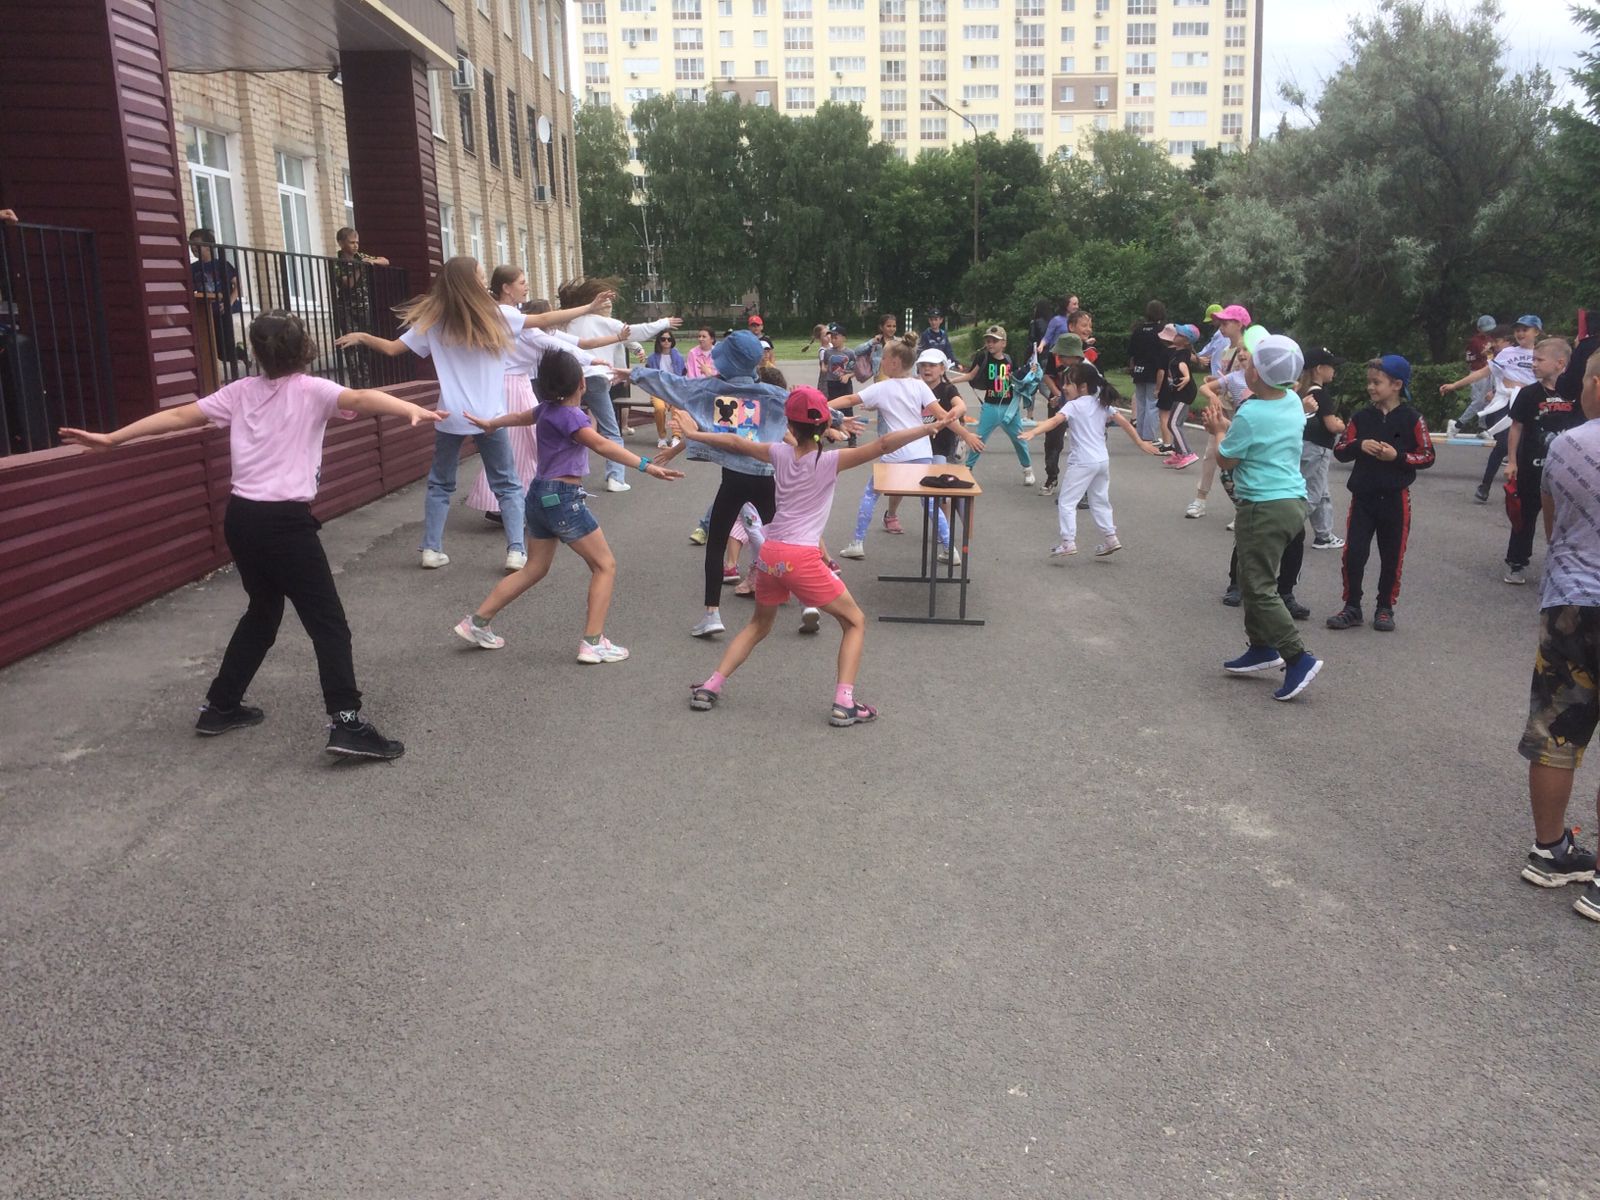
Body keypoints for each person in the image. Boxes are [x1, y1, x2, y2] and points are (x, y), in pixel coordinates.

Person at [59, 311, 440, 759]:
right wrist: (409, 407)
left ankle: (221, 705)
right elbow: (361, 397)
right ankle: (346, 723)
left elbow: (180, 415)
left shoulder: (240, 392)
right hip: (285, 524)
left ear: (257, 353)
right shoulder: (314, 390)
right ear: (305, 348)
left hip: (241, 519)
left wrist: (113, 438)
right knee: (328, 624)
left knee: (263, 611)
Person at [678, 387, 959, 726]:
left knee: (758, 625)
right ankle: (844, 703)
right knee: (855, 622)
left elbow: (736, 443)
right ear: (825, 425)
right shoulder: (830, 461)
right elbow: (884, 444)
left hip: (770, 553)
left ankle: (710, 686)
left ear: (789, 425)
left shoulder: (778, 453)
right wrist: (928, 427)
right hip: (802, 557)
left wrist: (694, 434)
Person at [335, 257, 611, 571]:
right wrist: (588, 308)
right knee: (507, 484)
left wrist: (362, 337)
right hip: (489, 415)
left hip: (448, 415)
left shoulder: (433, 320)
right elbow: (545, 318)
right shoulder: (498, 315)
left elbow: (391, 348)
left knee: (440, 484)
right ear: (470, 281)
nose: (483, 282)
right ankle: (515, 550)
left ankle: (431, 549)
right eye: (480, 277)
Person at [453, 350, 683, 659]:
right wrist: (646, 466)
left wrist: (491, 423)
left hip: (538, 495)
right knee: (604, 566)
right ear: (581, 384)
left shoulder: (545, 409)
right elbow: (600, 444)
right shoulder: (573, 416)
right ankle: (593, 642)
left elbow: (519, 418)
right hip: (563, 499)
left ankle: (477, 622)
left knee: (534, 569)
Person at [630, 330, 792, 639]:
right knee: (784, 541)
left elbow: (669, 383)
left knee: (716, 542)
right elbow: (812, 408)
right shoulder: (773, 393)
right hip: (764, 476)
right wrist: (837, 420)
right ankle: (810, 603)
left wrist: (631, 373)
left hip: (733, 479)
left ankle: (712, 614)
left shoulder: (710, 388)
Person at [1513, 350, 1600, 917]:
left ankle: (1550, 851)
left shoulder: (1567, 444)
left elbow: (1552, 523)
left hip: (1570, 600)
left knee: (1557, 729)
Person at [1200, 334, 1323, 701]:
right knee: (1252, 575)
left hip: (1262, 506)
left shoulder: (1251, 414)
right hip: (1291, 501)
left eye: (1250, 363)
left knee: (1259, 586)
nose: (1245, 366)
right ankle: (1260, 647)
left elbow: (1227, 459)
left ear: (1257, 375)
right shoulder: (1292, 401)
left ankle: (1297, 657)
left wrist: (1218, 430)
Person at [466, 269, 623, 524]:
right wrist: (589, 353)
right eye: (522, 282)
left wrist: (591, 354)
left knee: (522, 444)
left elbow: (561, 340)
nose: (526, 286)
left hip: (512, 384)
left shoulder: (509, 315)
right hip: (511, 385)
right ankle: (519, 502)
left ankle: (513, 503)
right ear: (506, 288)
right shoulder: (508, 315)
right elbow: (550, 340)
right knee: (526, 443)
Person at [1325, 355, 1436, 633]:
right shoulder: (1361, 417)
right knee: (1354, 553)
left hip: (1396, 499)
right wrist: (1359, 445)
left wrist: (1397, 456)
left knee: (1392, 555)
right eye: (1369, 382)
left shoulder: (1413, 418)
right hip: (1363, 497)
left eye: (1377, 382)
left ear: (1397, 384)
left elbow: (1427, 455)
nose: (1370, 387)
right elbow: (1340, 451)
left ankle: (1385, 607)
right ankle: (1352, 606)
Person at [557, 276, 682, 495]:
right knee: (611, 432)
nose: (609, 306)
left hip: (569, 378)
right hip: (596, 378)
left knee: (569, 429)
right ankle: (615, 477)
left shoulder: (568, 321)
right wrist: (664, 322)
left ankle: (566, 480)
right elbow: (639, 331)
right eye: (606, 301)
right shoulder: (603, 322)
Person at [836, 340, 958, 562]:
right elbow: (943, 415)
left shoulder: (882, 387)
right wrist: (965, 434)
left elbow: (849, 399)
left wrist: (822, 404)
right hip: (922, 452)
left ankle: (857, 543)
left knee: (871, 494)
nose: (881, 361)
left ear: (894, 362)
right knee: (930, 501)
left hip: (895, 452)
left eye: (883, 358)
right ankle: (951, 549)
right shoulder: (920, 385)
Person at [1020, 362, 1158, 558]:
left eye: (1068, 383)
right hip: (1101, 461)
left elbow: (1055, 421)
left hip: (1082, 462)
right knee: (1100, 500)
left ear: (1083, 386)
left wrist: (1034, 432)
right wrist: (1140, 443)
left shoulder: (1074, 405)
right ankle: (1110, 538)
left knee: (1067, 502)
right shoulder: (1101, 403)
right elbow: (1125, 423)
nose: (1064, 387)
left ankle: (1068, 542)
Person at [1504, 338, 1578, 586]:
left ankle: (1562, 564)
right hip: (1531, 467)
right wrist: (1512, 461)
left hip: (1566, 471)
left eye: (1539, 360)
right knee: (1524, 516)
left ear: (1560, 363)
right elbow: (1516, 427)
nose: (1533, 364)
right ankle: (1517, 562)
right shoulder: (1528, 394)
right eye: (1532, 359)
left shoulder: (1575, 394)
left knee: (1564, 519)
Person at [1442, 317, 1539, 502]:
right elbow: (1483, 372)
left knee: (1526, 448)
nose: (1520, 333)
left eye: (1525, 329)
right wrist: (1455, 385)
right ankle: (1485, 486)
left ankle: (1521, 490)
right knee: (1503, 444)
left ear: (1537, 332)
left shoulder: (1541, 353)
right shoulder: (1507, 353)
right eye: (1518, 330)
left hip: (1530, 405)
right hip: (1504, 404)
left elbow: (1549, 379)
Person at [1188, 303, 1250, 519]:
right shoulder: (1226, 350)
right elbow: (1227, 377)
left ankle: (1242, 506)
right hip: (1223, 406)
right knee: (1211, 452)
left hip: (1242, 409)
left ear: (1239, 324)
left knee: (1240, 457)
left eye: (1226, 323)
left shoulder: (1249, 349)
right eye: (1220, 323)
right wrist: (1215, 382)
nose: (1221, 327)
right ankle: (1200, 498)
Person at [951, 325, 1034, 486]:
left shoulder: (1010, 360)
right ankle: (968, 468)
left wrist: (1031, 372)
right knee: (979, 439)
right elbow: (970, 375)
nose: (990, 344)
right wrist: (951, 381)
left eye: (994, 341)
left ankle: (1028, 469)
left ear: (1004, 343)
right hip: (990, 405)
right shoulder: (983, 358)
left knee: (1019, 439)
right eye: (988, 341)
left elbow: (1020, 379)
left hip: (1009, 408)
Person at [1041, 309, 1095, 494]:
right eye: (1084, 325)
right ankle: (1052, 476)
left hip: (1084, 405)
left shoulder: (1091, 353)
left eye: (1090, 325)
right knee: (1053, 440)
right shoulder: (1057, 351)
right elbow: (1047, 375)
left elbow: (1098, 383)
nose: (1088, 329)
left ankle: (1085, 487)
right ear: (1071, 326)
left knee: (1084, 442)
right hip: (1060, 398)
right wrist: (1059, 395)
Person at [1299, 346, 1346, 549]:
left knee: (1322, 491)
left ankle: (1323, 535)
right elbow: (1331, 425)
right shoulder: (1321, 395)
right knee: (1313, 494)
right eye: (1331, 366)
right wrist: (1343, 425)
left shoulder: (1302, 391)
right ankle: (1284, 528)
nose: (1334, 370)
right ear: (1319, 368)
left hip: (1306, 446)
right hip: (1318, 449)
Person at [330, 227, 389, 389]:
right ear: (341, 243)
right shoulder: (337, 263)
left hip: (364, 307)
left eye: (357, 242)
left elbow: (385, 261)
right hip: (347, 309)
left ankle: (367, 383)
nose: (355, 245)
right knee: (351, 346)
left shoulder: (361, 256)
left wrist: (372, 261)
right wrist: (360, 267)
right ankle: (356, 384)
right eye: (351, 242)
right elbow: (348, 284)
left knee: (366, 345)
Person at [189, 228, 243, 379]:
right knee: (212, 347)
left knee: (225, 347)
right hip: (206, 312)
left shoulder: (221, 264)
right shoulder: (193, 268)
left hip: (223, 311)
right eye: (191, 246)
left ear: (208, 246)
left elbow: (237, 286)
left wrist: (228, 303)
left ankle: (239, 354)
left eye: (197, 245)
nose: (193, 248)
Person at [1157, 322, 1201, 469]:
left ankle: (1188, 453)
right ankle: (1178, 453)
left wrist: (1186, 376)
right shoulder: (1178, 350)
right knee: (1174, 422)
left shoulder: (1183, 353)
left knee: (1173, 424)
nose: (1176, 335)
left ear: (1186, 341)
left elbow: (1183, 365)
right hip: (1178, 392)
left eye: (1180, 334)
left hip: (1185, 393)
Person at [1127, 300, 1168, 443]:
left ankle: (1140, 433)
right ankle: (1150, 436)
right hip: (1154, 371)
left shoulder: (1138, 330)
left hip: (1139, 370)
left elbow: (1131, 352)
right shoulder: (1161, 331)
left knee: (1141, 403)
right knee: (1153, 403)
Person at [1451, 314, 1497, 432]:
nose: (1487, 332)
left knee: (1488, 400)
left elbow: (1493, 356)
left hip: (1490, 371)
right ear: (1479, 329)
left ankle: (1482, 427)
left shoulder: (1493, 339)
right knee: (1478, 401)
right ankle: (1458, 424)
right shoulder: (1474, 341)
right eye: (1485, 330)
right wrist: (1482, 355)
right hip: (1477, 372)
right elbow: (1469, 359)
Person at [644, 329, 687, 449]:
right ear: (659, 341)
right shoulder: (652, 358)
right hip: (657, 391)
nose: (666, 341)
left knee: (677, 408)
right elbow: (648, 378)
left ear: (672, 341)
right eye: (663, 339)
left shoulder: (678, 357)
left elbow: (683, 376)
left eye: (669, 339)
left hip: (674, 390)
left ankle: (676, 437)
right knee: (659, 408)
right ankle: (662, 437)